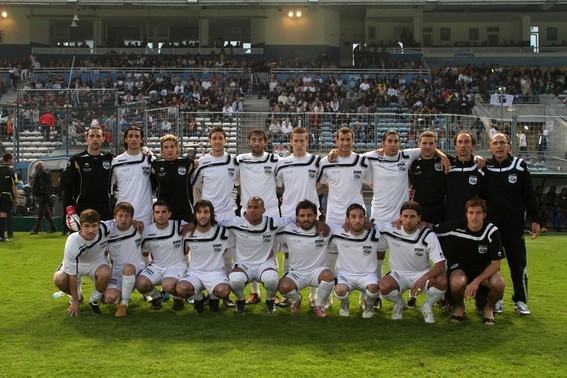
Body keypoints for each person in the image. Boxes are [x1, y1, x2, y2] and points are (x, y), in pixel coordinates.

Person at [483, 132, 539, 316]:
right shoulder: (485, 167)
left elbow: (529, 194)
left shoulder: (519, 166)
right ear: (490, 147)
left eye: (502, 143)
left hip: (514, 226)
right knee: (492, 266)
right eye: (495, 143)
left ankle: (521, 300)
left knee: (518, 264)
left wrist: (535, 219)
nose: (499, 146)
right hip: (491, 228)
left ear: (509, 146)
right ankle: (495, 300)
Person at [433, 198, 505, 325]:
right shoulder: (455, 227)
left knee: (499, 283)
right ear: (466, 214)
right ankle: (460, 307)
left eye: (478, 213)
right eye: (471, 213)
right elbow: (431, 229)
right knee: (456, 282)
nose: (474, 217)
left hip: (484, 269)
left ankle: (488, 309)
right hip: (462, 268)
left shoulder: (491, 231)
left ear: (484, 214)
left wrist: (476, 281)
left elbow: (496, 264)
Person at [191, 126, 239, 306]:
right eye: (214, 138)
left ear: (225, 141)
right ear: (210, 141)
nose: (218, 141)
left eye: (221, 138)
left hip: (227, 215)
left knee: (227, 254)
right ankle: (208, 292)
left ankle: (224, 295)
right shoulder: (202, 161)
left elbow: (238, 182)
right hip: (207, 218)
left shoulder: (233, 161)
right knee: (209, 254)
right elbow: (196, 186)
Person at [378, 201, 447, 323]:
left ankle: (427, 305)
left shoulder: (427, 235)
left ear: (419, 218)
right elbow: (369, 228)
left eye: (412, 216)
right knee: (383, 286)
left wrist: (424, 277)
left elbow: (440, 265)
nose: (408, 220)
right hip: (398, 274)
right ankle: (399, 303)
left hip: (421, 273)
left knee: (442, 281)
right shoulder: (390, 229)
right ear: (400, 217)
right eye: (405, 216)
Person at [223, 197, 294, 314]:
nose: (252, 210)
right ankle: (241, 300)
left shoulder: (272, 222)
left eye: (256, 207)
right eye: (249, 207)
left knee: (271, 279)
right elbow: (216, 224)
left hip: (264, 263)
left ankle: (269, 300)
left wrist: (318, 223)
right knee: (235, 281)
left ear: (263, 210)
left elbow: (292, 221)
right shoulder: (237, 223)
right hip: (243, 264)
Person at [235, 129, 280, 305]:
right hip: (247, 214)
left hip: (270, 213)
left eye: (260, 140)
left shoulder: (275, 160)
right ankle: (255, 293)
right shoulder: (240, 160)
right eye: (253, 139)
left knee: (272, 252)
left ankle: (272, 291)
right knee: (250, 253)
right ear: (248, 142)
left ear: (265, 142)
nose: (256, 143)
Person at [276, 200, 334, 318]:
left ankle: (318, 305)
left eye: (309, 215)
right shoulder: (289, 230)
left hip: (316, 272)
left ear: (315, 216)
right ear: (297, 217)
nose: (306, 219)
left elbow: (349, 227)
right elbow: (269, 229)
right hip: (296, 274)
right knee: (282, 287)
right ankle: (297, 299)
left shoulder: (326, 229)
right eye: (302, 216)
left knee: (329, 275)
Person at [329, 203, 387, 319]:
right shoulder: (338, 233)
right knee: (340, 290)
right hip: (345, 274)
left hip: (367, 274)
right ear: (347, 220)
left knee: (374, 288)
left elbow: (391, 229)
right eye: (353, 217)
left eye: (361, 217)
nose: (357, 220)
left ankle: (369, 305)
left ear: (365, 219)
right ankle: (345, 304)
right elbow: (328, 246)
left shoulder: (375, 234)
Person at [176, 200, 234, 313]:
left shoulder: (223, 232)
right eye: (199, 212)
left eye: (206, 212)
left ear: (211, 215)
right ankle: (200, 298)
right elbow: (184, 252)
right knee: (181, 289)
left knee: (223, 291)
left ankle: (213, 298)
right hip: (195, 273)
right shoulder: (188, 234)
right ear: (195, 215)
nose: (202, 215)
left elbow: (227, 249)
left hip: (216, 272)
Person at [52, 209, 112, 316]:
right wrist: (75, 301)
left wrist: (135, 222)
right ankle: (78, 298)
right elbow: (72, 275)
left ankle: (94, 301)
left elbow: (120, 221)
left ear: (99, 225)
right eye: (87, 226)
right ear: (81, 226)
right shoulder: (72, 242)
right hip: (77, 264)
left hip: (97, 263)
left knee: (107, 276)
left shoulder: (105, 227)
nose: (90, 230)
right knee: (59, 278)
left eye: (94, 226)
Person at [136, 201, 188, 311]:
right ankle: (156, 296)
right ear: (153, 215)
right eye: (157, 212)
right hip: (156, 266)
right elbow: (145, 251)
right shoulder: (147, 231)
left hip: (176, 265)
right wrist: (146, 266)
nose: (160, 215)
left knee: (168, 285)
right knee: (141, 284)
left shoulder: (179, 225)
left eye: (164, 212)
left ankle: (178, 298)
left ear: (169, 214)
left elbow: (195, 227)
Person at [63, 125, 114, 230]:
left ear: (103, 138)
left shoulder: (110, 158)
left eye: (98, 136)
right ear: (86, 138)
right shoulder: (76, 160)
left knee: (105, 243)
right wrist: (70, 209)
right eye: (92, 136)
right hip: (82, 207)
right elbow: (66, 186)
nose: (95, 139)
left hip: (104, 208)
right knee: (82, 242)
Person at [104, 202, 145, 318]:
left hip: (137, 267)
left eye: (127, 216)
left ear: (132, 218)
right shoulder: (109, 233)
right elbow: (104, 254)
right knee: (110, 298)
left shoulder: (139, 229)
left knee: (128, 267)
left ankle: (124, 305)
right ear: (115, 217)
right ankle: (122, 292)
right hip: (117, 271)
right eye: (120, 216)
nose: (123, 219)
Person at [111, 125, 154, 225]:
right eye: (130, 136)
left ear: (141, 139)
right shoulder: (116, 162)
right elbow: (108, 186)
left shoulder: (149, 160)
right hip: (123, 214)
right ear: (125, 139)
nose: (134, 139)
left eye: (137, 136)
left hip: (145, 215)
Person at [151, 134, 195, 223]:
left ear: (177, 148)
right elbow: (152, 187)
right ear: (162, 150)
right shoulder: (156, 165)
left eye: (172, 146)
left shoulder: (188, 163)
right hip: (163, 213)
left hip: (184, 212)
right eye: (166, 147)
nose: (169, 150)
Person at [409, 131, 446, 225]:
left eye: (431, 143)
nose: (428, 146)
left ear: (436, 145)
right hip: (418, 211)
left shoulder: (444, 161)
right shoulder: (412, 163)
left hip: (439, 211)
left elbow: (463, 159)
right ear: (419, 144)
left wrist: (477, 158)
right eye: (424, 143)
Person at [30, 161, 57, 234]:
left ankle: (36, 229)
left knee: (41, 213)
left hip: (42, 195)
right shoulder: (46, 173)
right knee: (46, 213)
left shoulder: (40, 174)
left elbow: (39, 186)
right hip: (45, 195)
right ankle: (53, 227)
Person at [0, 153, 17, 241]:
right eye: (12, 159)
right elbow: (13, 186)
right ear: (9, 159)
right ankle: (2, 236)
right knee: (3, 214)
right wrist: (15, 198)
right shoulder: (10, 171)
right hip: (6, 195)